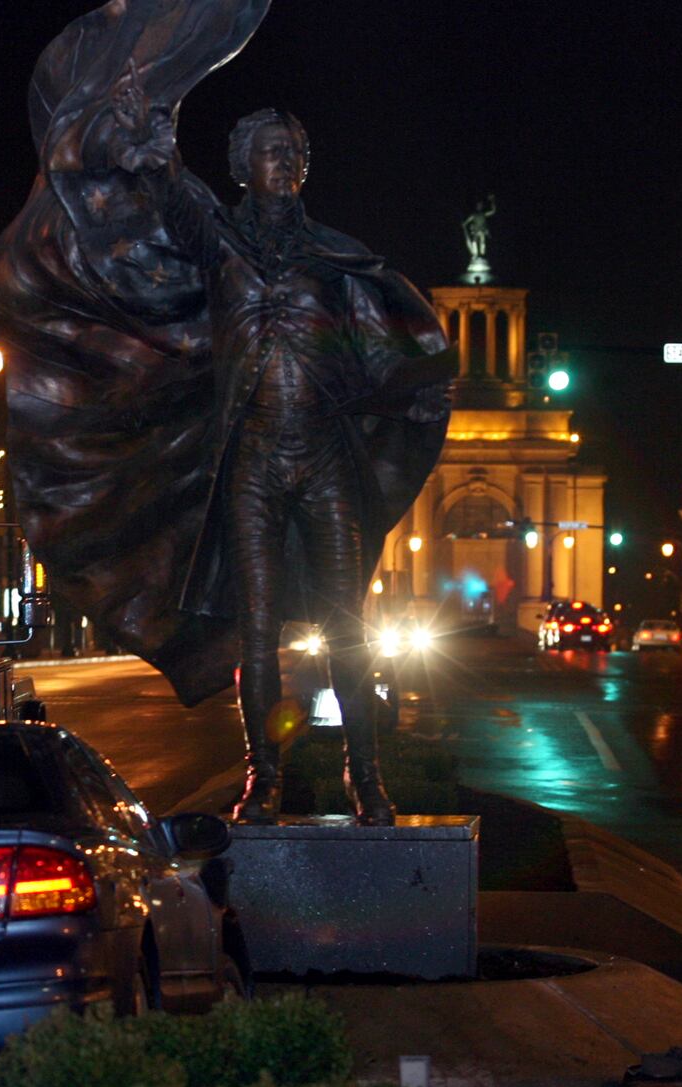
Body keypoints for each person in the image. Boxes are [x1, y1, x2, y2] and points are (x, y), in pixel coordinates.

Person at [109, 71, 450, 821]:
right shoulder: (217, 242)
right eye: (271, 150)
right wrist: (150, 135)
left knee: (347, 629)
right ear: (242, 164)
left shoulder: (334, 259)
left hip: (326, 454)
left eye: (295, 151)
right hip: (252, 457)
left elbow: (379, 353)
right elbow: (172, 192)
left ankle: (368, 780)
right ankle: (263, 778)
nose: (286, 162)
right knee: (256, 628)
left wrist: (417, 383)